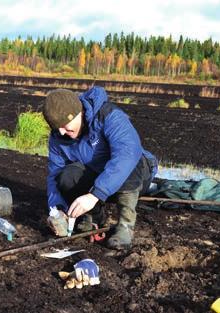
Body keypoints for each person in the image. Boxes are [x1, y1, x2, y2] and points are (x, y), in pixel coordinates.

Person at [42, 87, 158, 250]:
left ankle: (125, 225)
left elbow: (128, 153)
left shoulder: (108, 115)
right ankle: (94, 218)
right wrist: (57, 210)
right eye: (57, 127)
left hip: (136, 175)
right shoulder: (58, 137)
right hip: (98, 180)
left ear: (78, 112)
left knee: (127, 161)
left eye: (65, 124)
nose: (62, 131)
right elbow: (55, 174)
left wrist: (94, 195)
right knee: (67, 175)